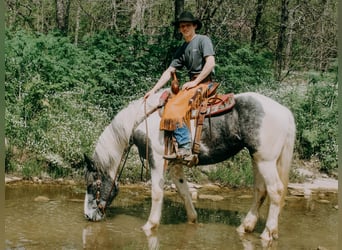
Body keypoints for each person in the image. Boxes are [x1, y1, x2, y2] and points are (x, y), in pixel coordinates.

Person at [144, 11, 216, 161]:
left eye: (188, 25)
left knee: (175, 106)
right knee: (169, 102)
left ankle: (185, 147)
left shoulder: (203, 40)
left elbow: (210, 63)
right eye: (182, 26)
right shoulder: (183, 48)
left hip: (204, 83)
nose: (184, 28)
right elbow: (169, 71)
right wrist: (153, 90)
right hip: (193, 84)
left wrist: (195, 82)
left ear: (194, 26)